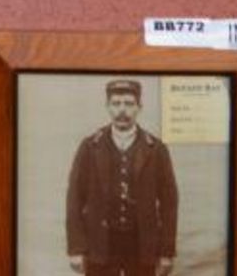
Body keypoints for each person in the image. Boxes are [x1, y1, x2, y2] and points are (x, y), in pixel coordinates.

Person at [65, 78, 179, 276]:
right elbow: (74, 199)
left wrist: (166, 251)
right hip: (100, 243)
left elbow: (169, 203)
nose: (122, 110)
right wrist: (76, 249)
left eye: (129, 104)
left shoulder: (156, 149)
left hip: (142, 244)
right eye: (116, 104)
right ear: (107, 107)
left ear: (139, 107)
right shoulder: (90, 146)